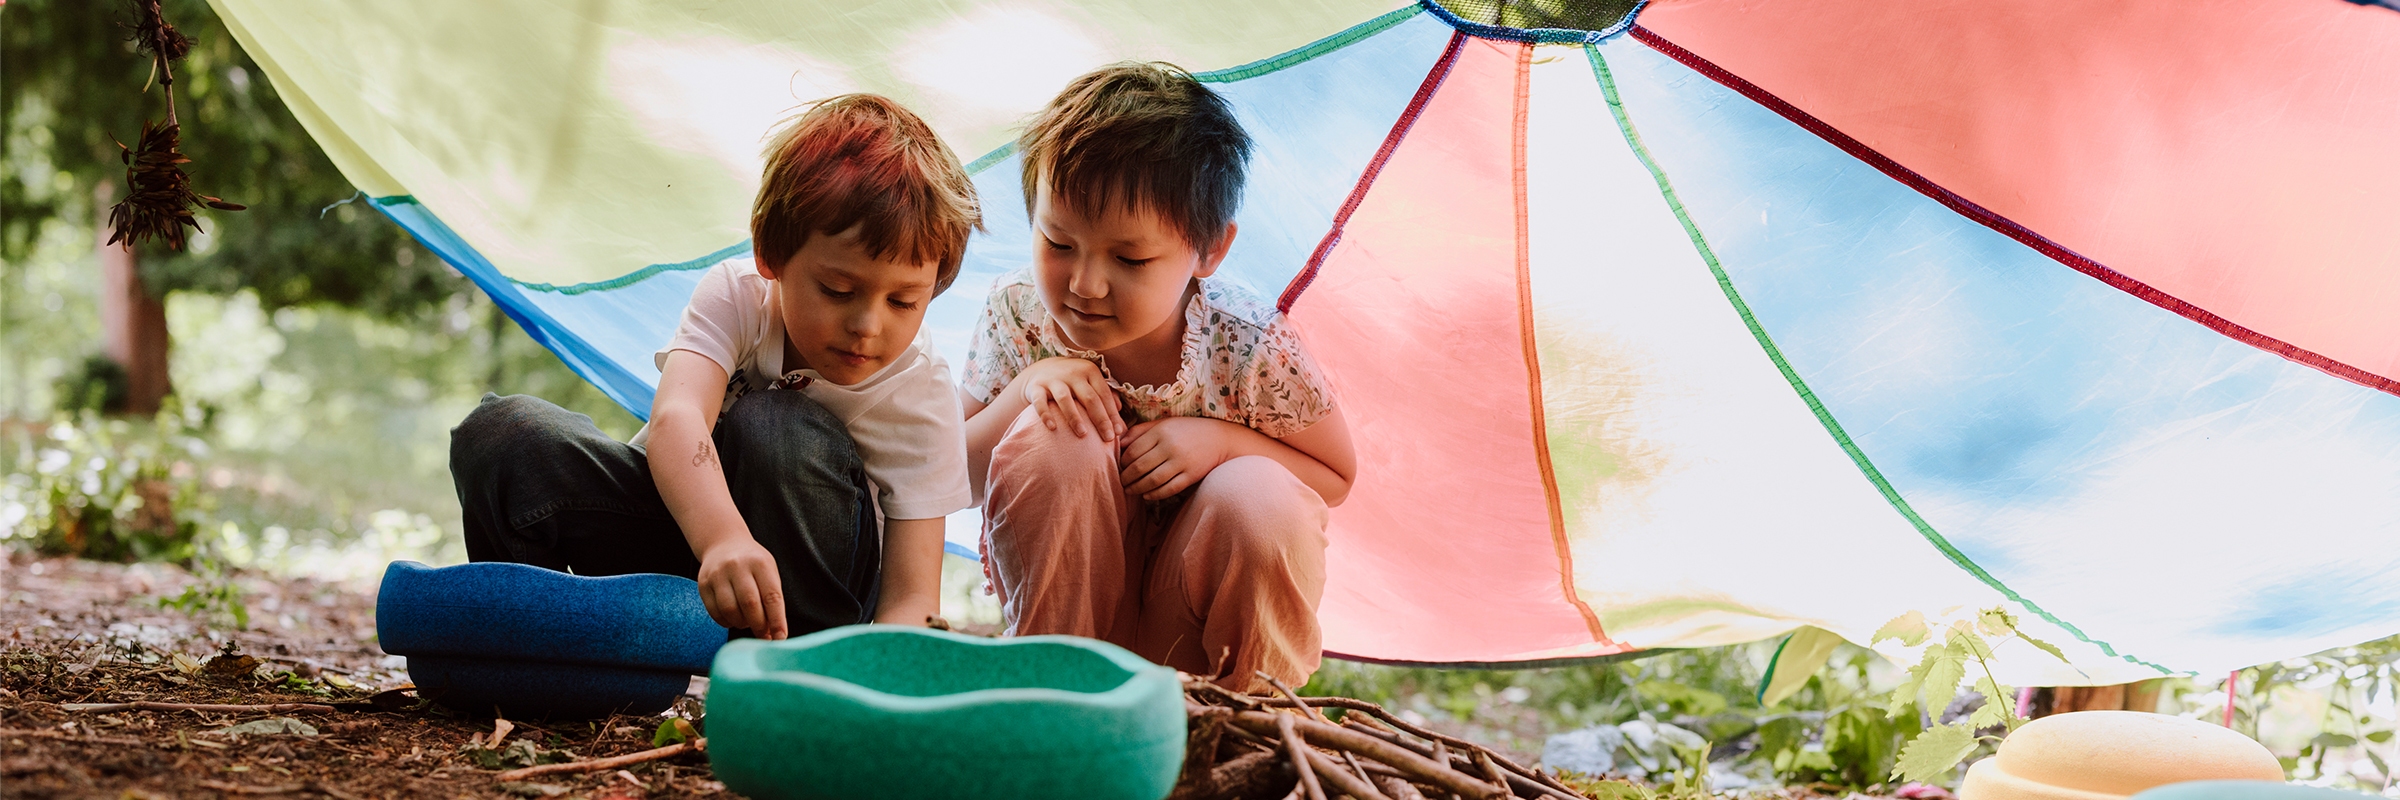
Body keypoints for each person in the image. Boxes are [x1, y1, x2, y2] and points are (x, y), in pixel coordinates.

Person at [452, 94, 981, 640]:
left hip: (811, 594)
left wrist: (887, 677)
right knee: (504, 434)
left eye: (903, 302)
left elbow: (913, 596)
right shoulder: (738, 296)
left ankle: (788, 675)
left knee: (775, 424)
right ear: (770, 255)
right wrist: (723, 538)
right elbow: (677, 419)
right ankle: (520, 643)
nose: (868, 325)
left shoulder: (920, 393)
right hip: (693, 540)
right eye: (838, 289)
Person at [960, 63, 1358, 691]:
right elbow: (950, 474)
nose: (1084, 285)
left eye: (1130, 257)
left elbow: (1334, 478)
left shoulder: (1247, 343)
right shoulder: (1019, 311)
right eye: (1058, 243)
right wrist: (1025, 389)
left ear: (1209, 251)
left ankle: (1239, 724)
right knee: (1053, 430)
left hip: (1195, 640)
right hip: (1074, 630)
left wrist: (1224, 444)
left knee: (1260, 493)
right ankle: (1055, 704)